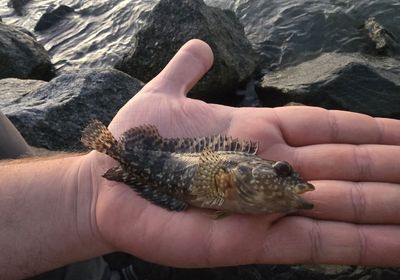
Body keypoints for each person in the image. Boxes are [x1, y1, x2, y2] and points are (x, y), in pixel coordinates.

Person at [1, 39, 400, 280]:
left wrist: (77, 196)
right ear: (236, 179)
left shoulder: (242, 182)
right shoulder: (228, 176)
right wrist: (87, 187)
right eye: (281, 172)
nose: (289, 180)